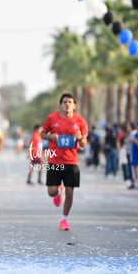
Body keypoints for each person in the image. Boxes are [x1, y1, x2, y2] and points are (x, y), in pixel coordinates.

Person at [40, 93, 88, 231]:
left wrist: (80, 138)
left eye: (70, 102)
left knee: (70, 192)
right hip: (54, 160)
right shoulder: (52, 118)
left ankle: (64, 220)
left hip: (71, 162)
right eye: (65, 102)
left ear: (74, 105)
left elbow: (84, 144)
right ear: (60, 104)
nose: (67, 104)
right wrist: (51, 136)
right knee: (51, 191)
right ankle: (58, 192)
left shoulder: (80, 121)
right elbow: (42, 134)